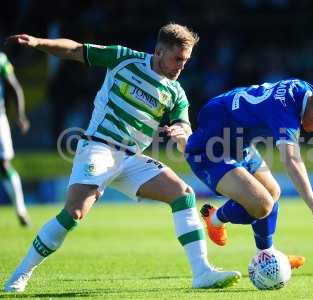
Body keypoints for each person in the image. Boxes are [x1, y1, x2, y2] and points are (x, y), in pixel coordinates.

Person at [4, 23, 241, 293]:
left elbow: (184, 128)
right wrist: (38, 42)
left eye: (185, 61)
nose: (181, 67)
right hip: (99, 147)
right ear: (159, 51)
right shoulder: (123, 58)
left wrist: (181, 135)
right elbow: (76, 50)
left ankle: (201, 272)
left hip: (130, 159)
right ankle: (19, 274)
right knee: (74, 213)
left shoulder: (176, 93)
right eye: (177, 59)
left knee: (182, 193)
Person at [180, 79, 313, 264]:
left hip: (239, 143)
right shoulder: (284, 111)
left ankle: (267, 256)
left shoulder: (308, 93)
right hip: (210, 150)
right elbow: (292, 159)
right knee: (262, 204)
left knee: (272, 194)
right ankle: (215, 217)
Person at [0, 51, 31, 227]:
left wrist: (20, 116)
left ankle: (20, 209)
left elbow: (14, 87)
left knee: (4, 165)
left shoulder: (1, 59)